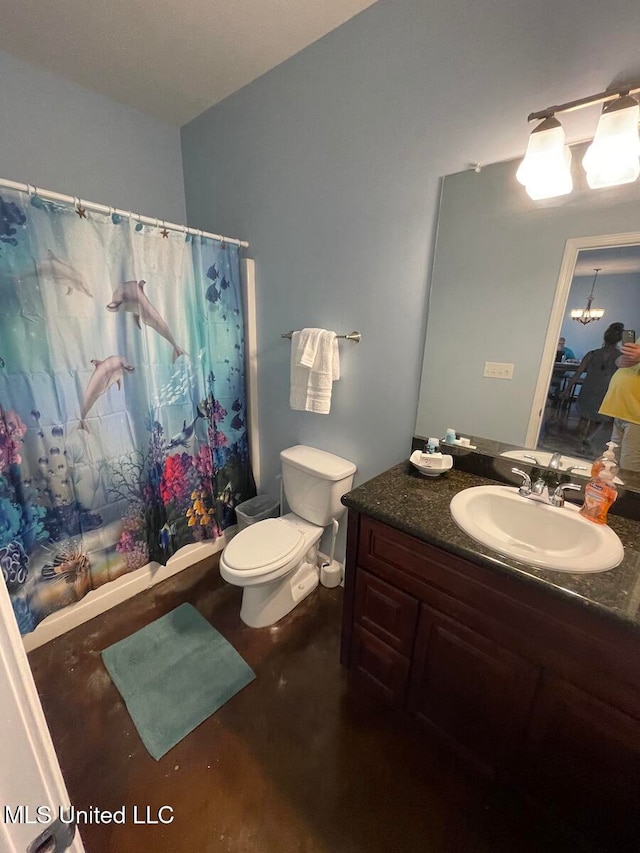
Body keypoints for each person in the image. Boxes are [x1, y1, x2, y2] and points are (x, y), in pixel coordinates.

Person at [562, 323, 623, 451]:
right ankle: (588, 439)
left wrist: (567, 389)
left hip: (588, 389)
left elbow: (577, 373)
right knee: (598, 418)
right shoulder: (620, 358)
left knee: (584, 417)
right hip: (605, 391)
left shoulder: (592, 354)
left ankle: (581, 441)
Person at [598, 338, 640, 471]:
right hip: (622, 408)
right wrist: (621, 360)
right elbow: (624, 362)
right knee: (612, 461)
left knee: (630, 465)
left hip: (636, 413)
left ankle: (629, 493)